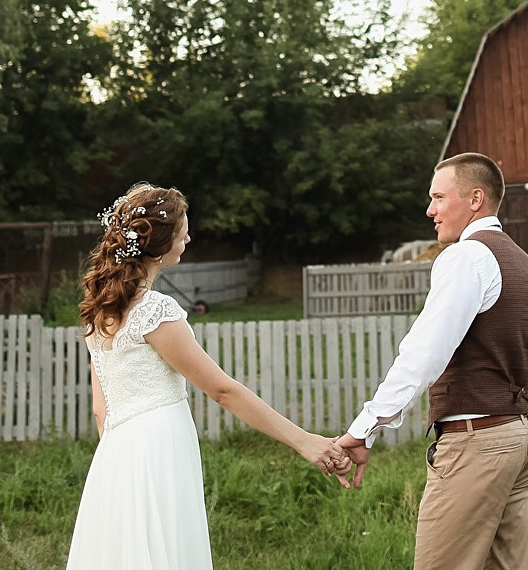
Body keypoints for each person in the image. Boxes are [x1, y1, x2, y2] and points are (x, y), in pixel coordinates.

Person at [64, 182, 350, 568]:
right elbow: (222, 390)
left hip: (116, 452)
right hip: (158, 446)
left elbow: (102, 408)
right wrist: (304, 442)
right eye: (183, 229)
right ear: (161, 242)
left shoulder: (102, 310)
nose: (189, 236)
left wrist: (123, 467)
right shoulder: (154, 310)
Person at [334, 153, 528, 570]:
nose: (429, 210)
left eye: (438, 197)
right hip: (525, 434)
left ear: (475, 199)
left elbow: (424, 354)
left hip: (479, 441)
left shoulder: (467, 256)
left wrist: (365, 428)